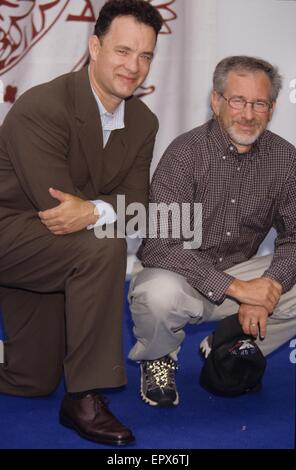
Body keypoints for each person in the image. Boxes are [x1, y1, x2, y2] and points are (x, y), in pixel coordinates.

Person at [0, 0, 162, 445]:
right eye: (122, 51)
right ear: (94, 47)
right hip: (11, 234)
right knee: (101, 245)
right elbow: (59, 213)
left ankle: (29, 365)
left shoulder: (143, 121)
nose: (134, 66)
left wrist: (93, 210)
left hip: (51, 257)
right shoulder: (43, 106)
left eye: (145, 55)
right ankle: (85, 396)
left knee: (31, 379)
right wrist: (102, 212)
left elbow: (138, 205)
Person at [128, 55, 296, 407]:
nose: (248, 114)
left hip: (239, 274)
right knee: (156, 294)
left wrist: (270, 286)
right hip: (179, 276)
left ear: (272, 107)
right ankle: (158, 358)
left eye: (259, 103)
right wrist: (241, 290)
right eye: (237, 100)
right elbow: (161, 246)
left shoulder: (285, 158)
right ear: (216, 101)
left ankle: (230, 340)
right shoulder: (185, 154)